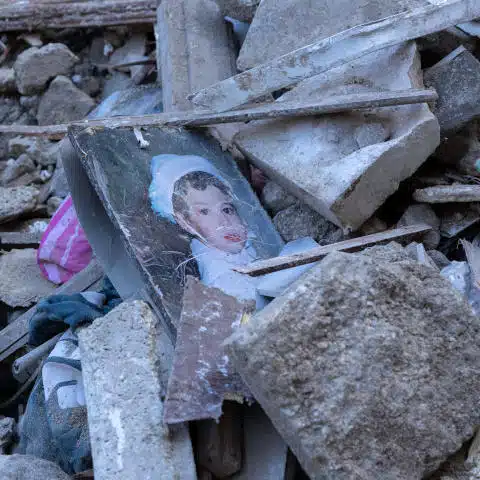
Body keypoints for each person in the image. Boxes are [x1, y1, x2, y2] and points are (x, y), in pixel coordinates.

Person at [149, 154, 265, 307]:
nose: (224, 222)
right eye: (204, 212)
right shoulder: (221, 282)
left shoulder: (253, 246)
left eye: (227, 209)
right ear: (184, 221)